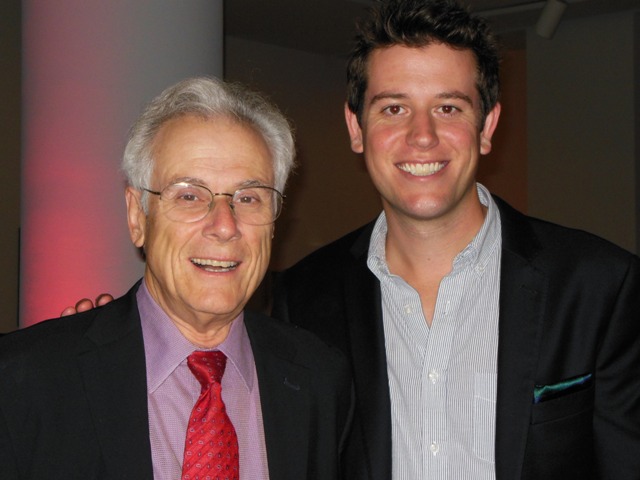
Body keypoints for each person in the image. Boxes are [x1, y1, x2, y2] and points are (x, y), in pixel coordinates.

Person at [58, 1, 640, 479]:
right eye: (393, 108)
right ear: (356, 129)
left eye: (448, 107)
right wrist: (115, 344)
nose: (422, 136)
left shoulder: (599, 286)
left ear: (486, 127)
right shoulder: (303, 302)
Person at [0, 77, 353, 479]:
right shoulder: (25, 382)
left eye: (249, 197)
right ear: (137, 216)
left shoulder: (321, 381)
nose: (224, 226)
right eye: (189, 195)